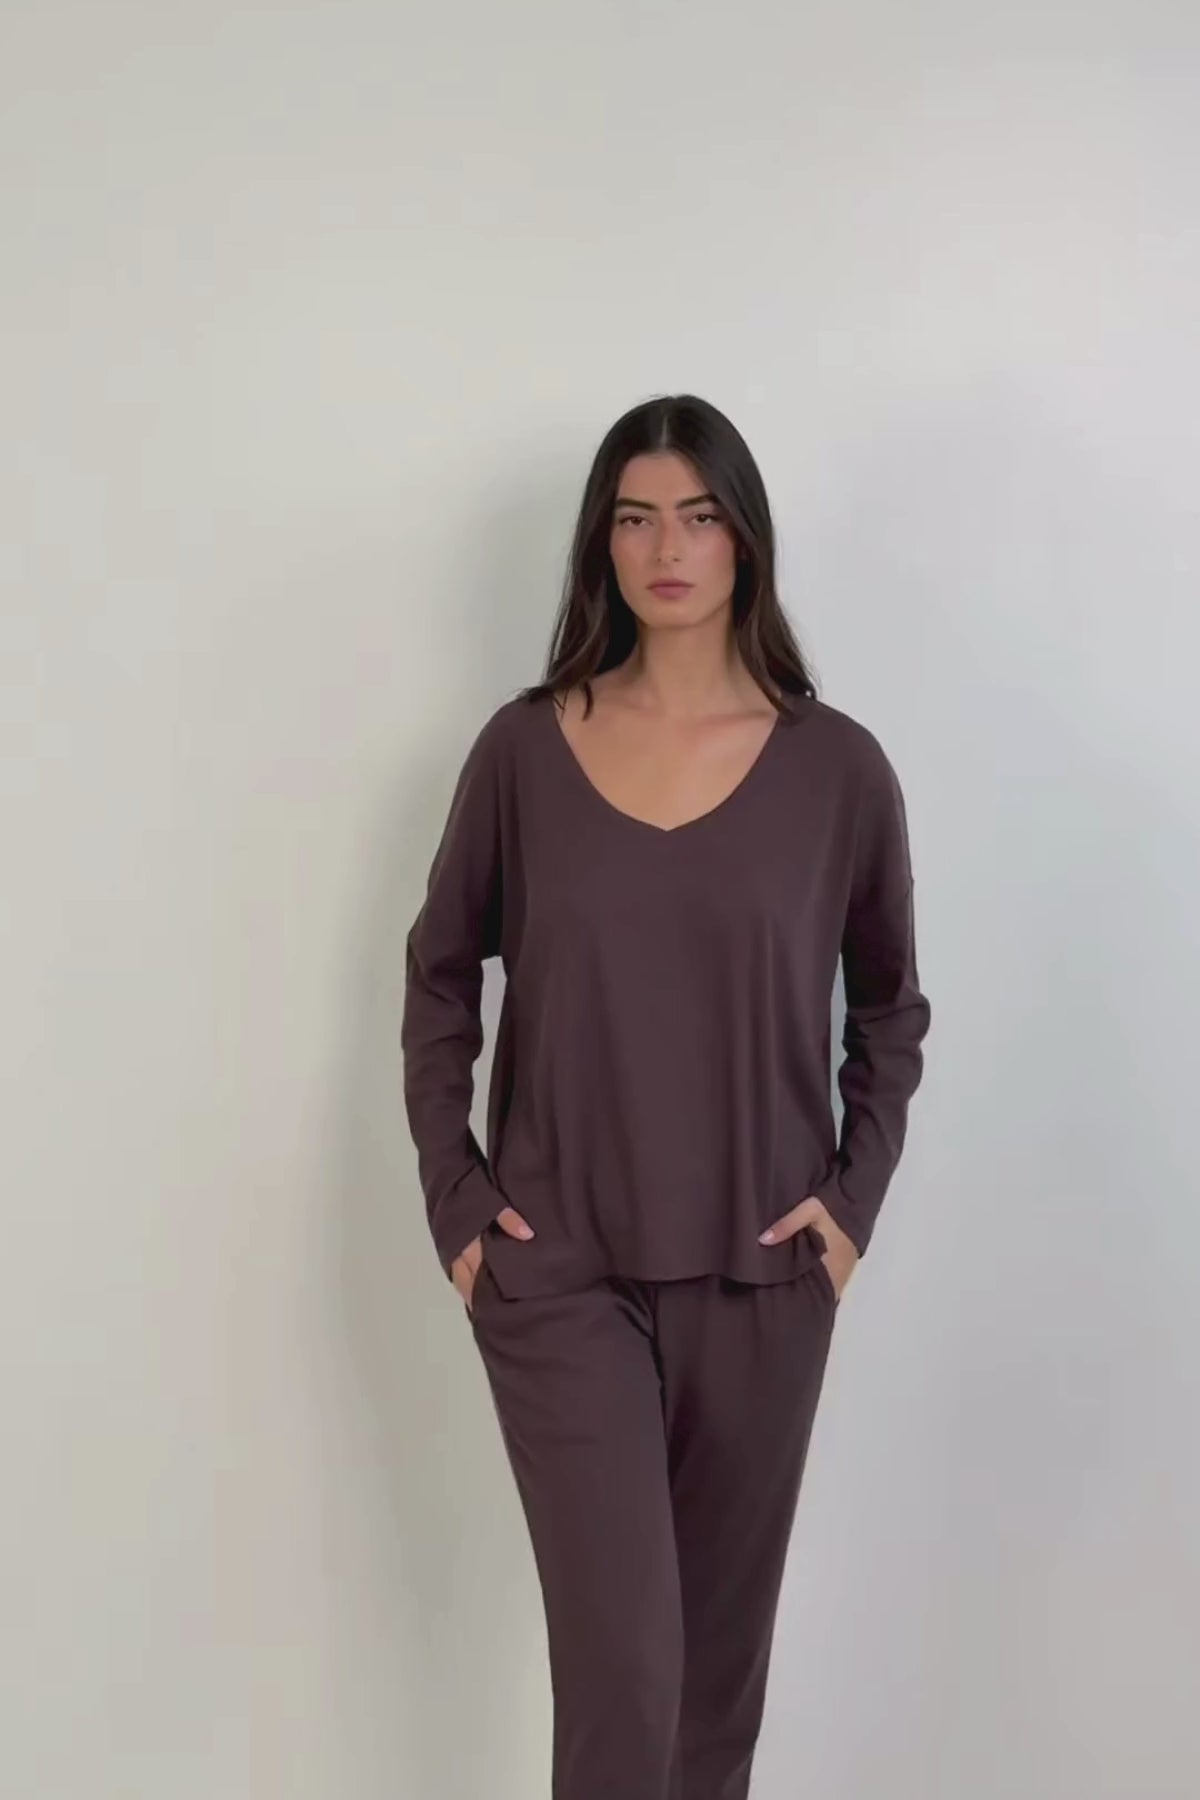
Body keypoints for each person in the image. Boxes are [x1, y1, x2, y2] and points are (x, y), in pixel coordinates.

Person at [400, 392, 932, 1800]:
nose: (666, 548)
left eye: (697, 516)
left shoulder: (838, 770)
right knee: (627, 1674)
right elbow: (440, 979)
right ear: (602, 543)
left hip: (765, 1277)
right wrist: (458, 1202)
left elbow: (890, 1009)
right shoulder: (524, 751)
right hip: (558, 1271)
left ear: (744, 538)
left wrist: (850, 1210)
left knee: (710, 1697)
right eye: (635, 519)